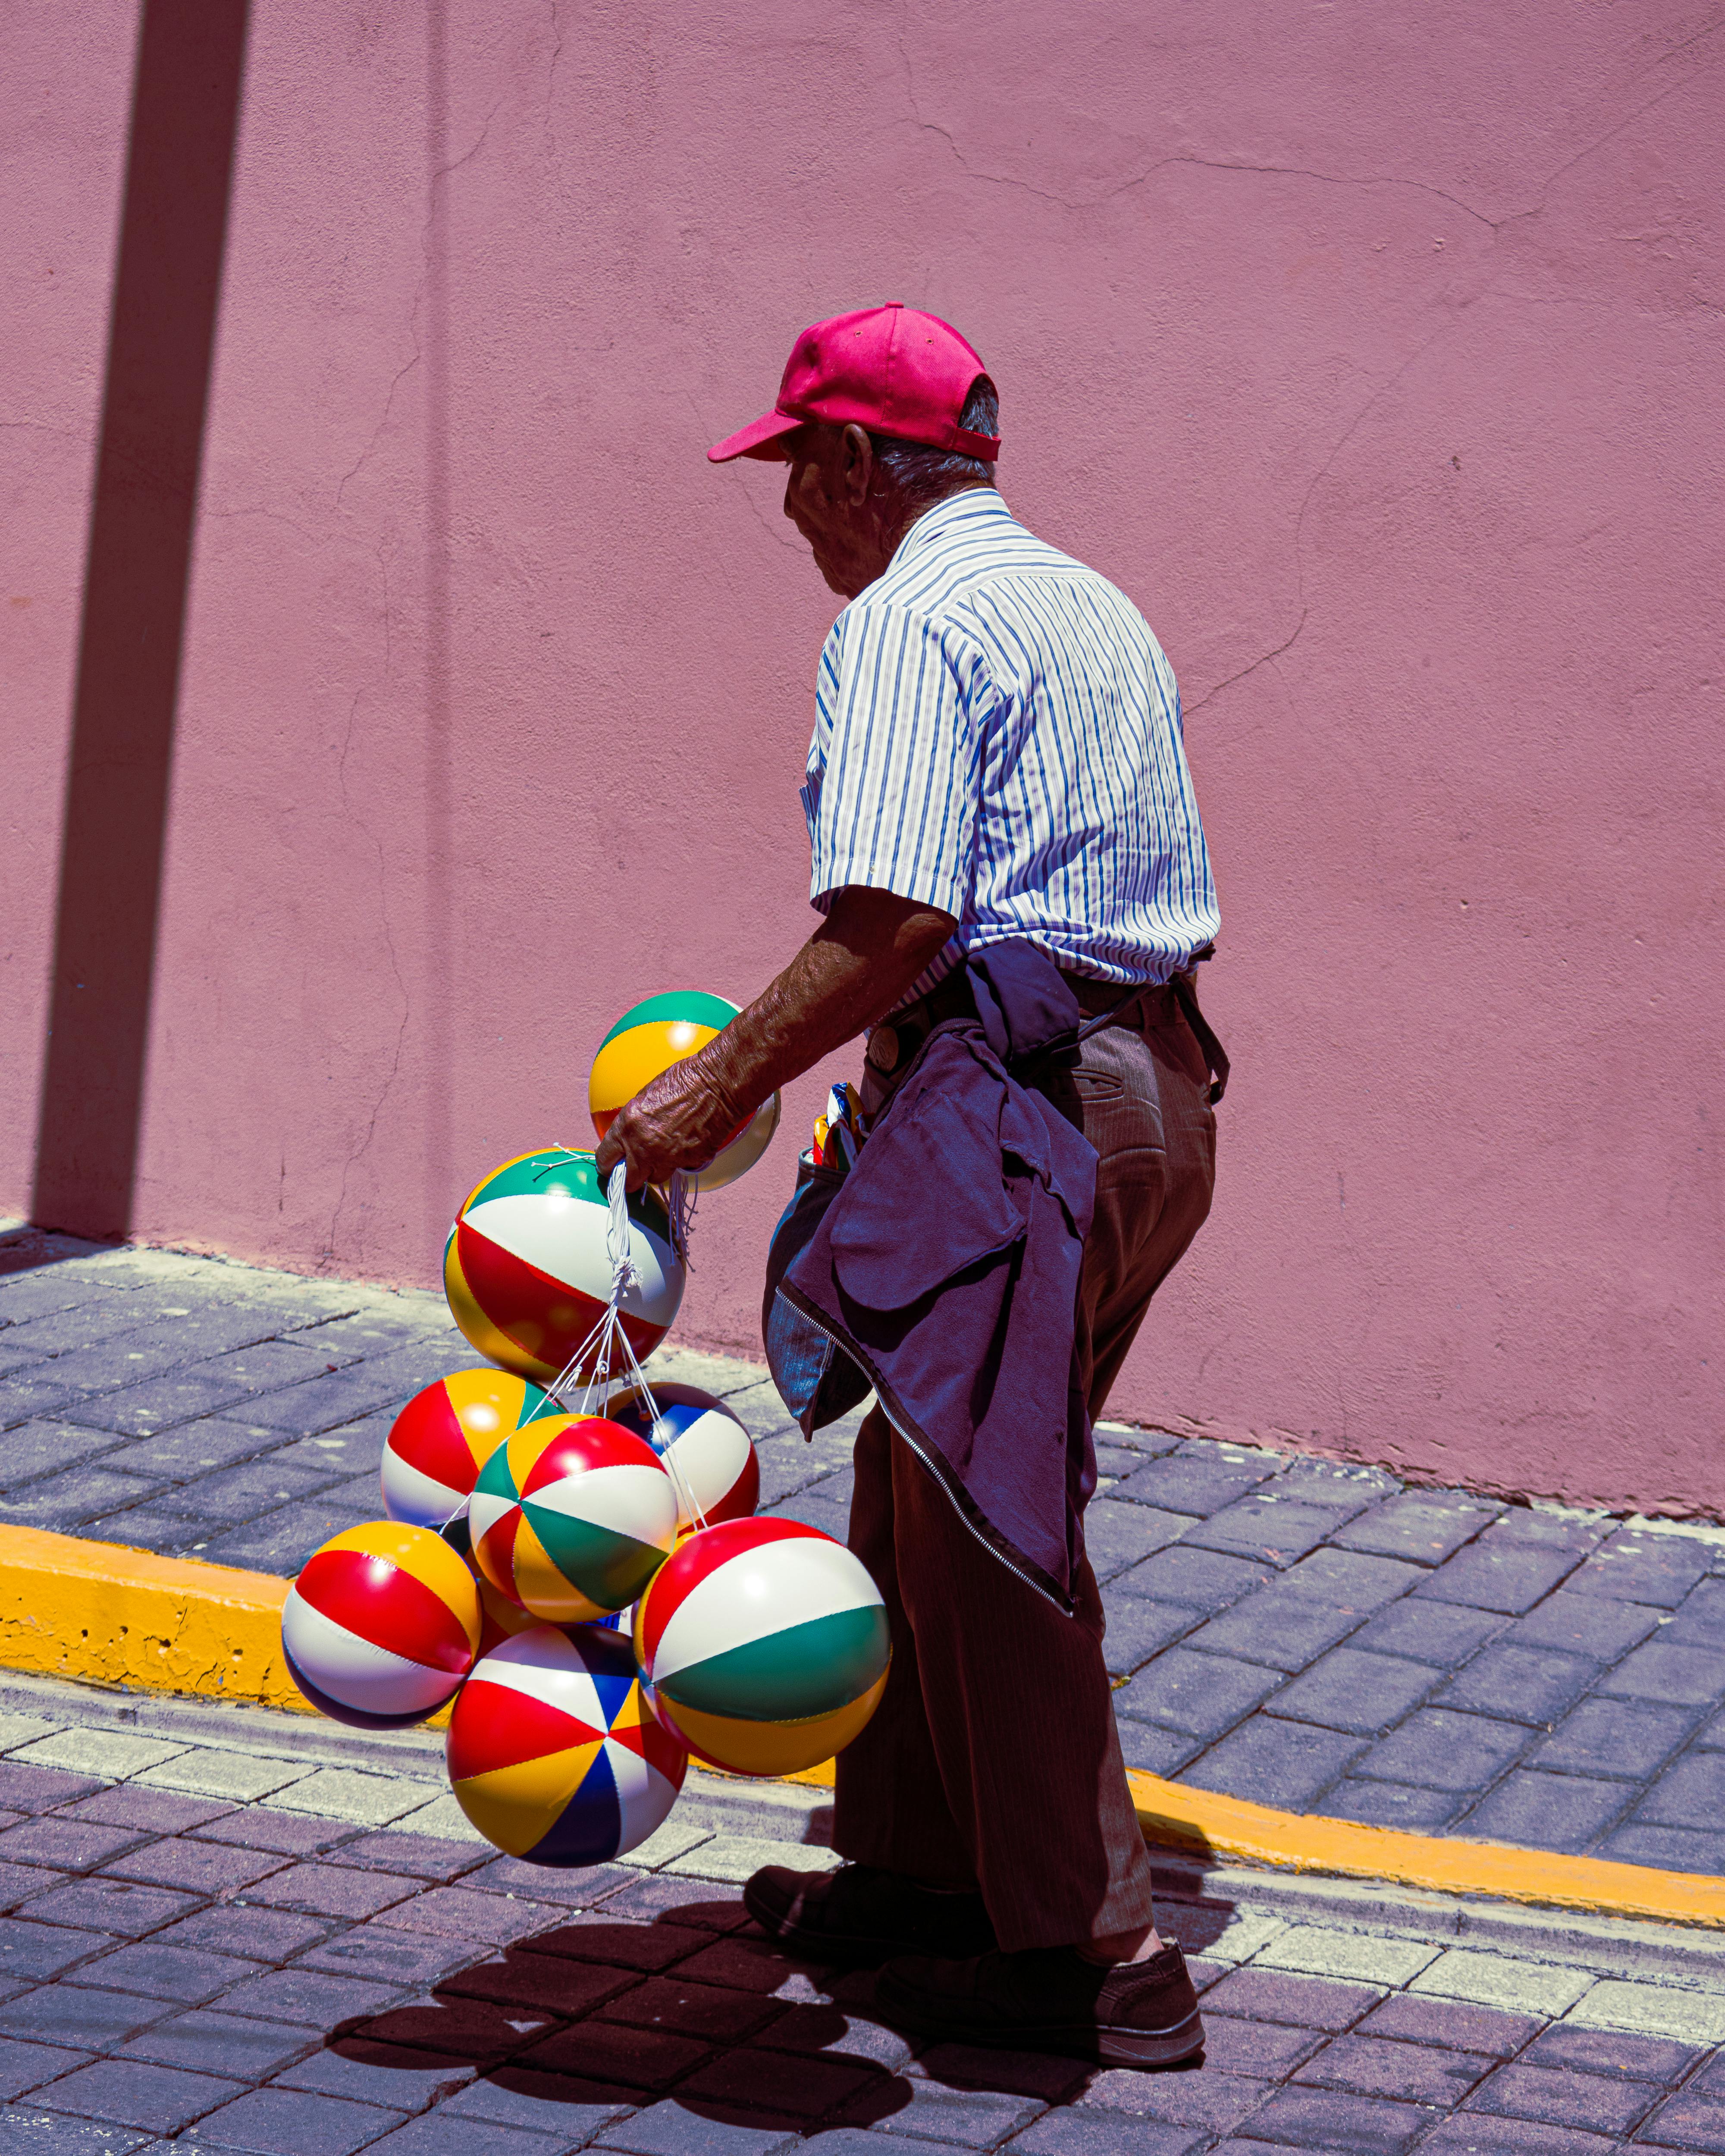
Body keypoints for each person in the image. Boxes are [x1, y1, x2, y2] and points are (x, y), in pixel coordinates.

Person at [595, 302, 1223, 2068]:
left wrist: (708, 1084)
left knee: (989, 1508)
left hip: (1018, 1098)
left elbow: (891, 916)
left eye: (797, 467)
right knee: (921, 1470)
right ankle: (919, 1872)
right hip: (1150, 1092)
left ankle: (1095, 1953)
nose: (791, 508)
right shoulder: (1088, 599)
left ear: (861, 463)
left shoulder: (902, 622)